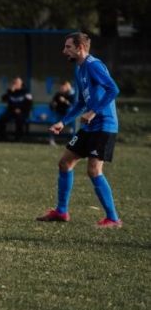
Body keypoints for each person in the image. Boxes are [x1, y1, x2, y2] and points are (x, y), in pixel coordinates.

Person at [37, 32, 122, 228]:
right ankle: (61, 211)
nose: (64, 51)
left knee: (94, 170)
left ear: (79, 48)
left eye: (68, 47)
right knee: (65, 163)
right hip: (90, 126)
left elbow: (113, 89)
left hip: (104, 125)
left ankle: (113, 218)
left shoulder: (94, 65)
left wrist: (93, 112)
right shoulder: (79, 69)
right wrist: (63, 121)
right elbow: (81, 102)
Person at [0, 77, 33, 141]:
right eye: (15, 83)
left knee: (19, 119)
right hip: (11, 110)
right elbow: (3, 99)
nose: (15, 84)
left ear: (21, 84)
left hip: (22, 111)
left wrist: (20, 109)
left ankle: (18, 138)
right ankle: (2, 137)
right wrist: (10, 91)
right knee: (2, 118)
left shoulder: (26, 92)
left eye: (17, 83)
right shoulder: (10, 91)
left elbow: (29, 104)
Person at [48, 80, 75, 146]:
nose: (62, 89)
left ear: (67, 87)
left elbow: (72, 105)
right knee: (53, 122)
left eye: (63, 87)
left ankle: (72, 141)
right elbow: (51, 104)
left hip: (67, 115)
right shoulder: (58, 94)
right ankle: (51, 140)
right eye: (61, 88)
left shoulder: (72, 95)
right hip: (58, 113)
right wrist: (53, 104)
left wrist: (65, 101)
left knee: (74, 124)